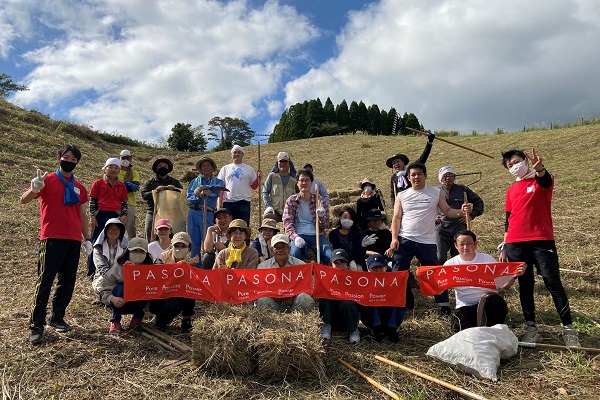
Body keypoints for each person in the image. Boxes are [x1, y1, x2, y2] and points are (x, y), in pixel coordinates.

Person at [499, 148, 580, 346]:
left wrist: (540, 169)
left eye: (516, 162)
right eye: (510, 166)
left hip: (542, 240)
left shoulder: (541, 179)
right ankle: (531, 328)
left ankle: (568, 329)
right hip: (515, 243)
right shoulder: (511, 190)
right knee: (525, 285)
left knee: (553, 283)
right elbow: (508, 220)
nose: (514, 167)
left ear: (526, 160)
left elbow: (545, 181)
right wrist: (504, 246)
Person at [21, 144, 90, 345]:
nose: (69, 161)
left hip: (73, 239)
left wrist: (87, 239)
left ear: (77, 163)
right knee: (45, 281)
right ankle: (36, 325)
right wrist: (34, 189)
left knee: (67, 280)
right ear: (59, 157)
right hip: (51, 237)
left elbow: (83, 215)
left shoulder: (80, 187)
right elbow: (23, 200)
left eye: (74, 159)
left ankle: (57, 317)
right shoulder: (47, 180)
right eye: (66, 157)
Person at [385, 162, 472, 314]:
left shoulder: (435, 192)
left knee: (435, 274)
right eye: (413, 174)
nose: (416, 177)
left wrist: (462, 212)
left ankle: (443, 305)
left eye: (419, 174)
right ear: (408, 177)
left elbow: (447, 211)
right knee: (398, 273)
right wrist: (394, 238)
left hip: (427, 241)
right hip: (405, 239)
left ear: (425, 175)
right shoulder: (402, 195)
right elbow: (396, 218)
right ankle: (398, 304)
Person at [444, 230, 525, 331]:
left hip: (489, 303)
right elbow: (440, 288)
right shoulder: (450, 264)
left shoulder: (488, 260)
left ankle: (493, 331)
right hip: (465, 306)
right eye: (462, 244)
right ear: (456, 246)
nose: (465, 247)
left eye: (469, 243)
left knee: (497, 302)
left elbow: (505, 286)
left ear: (475, 244)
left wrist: (514, 275)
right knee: (462, 331)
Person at [93, 237, 151, 334]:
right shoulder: (118, 267)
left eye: (141, 252)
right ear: (128, 252)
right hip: (119, 302)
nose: (138, 254)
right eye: (135, 251)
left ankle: (137, 317)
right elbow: (105, 287)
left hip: (139, 303)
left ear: (146, 254)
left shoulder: (150, 269)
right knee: (120, 287)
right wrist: (111, 298)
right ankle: (115, 321)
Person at [88, 157, 128, 277]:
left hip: (115, 215)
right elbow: (92, 201)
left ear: (119, 171)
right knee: (95, 242)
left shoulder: (122, 186)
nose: (113, 170)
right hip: (100, 214)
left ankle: (119, 269)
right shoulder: (98, 183)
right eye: (110, 167)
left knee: (119, 241)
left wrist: (124, 215)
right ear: (105, 169)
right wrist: (92, 216)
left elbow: (124, 203)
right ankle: (91, 270)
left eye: (116, 168)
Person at [435, 166, 484, 264]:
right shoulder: (435, 191)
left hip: (459, 228)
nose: (448, 178)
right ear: (441, 178)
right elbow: (428, 207)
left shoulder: (463, 190)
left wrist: (471, 215)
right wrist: (433, 216)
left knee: (459, 257)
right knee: (439, 257)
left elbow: (479, 203)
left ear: (454, 177)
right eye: (445, 176)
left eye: (450, 175)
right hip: (441, 229)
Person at [283, 169, 332, 265]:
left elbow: (325, 225)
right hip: (299, 234)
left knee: (329, 255)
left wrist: (321, 216)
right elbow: (287, 223)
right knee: (295, 253)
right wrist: (295, 237)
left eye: (307, 180)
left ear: (311, 182)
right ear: (297, 183)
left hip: (317, 234)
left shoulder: (320, 200)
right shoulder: (291, 201)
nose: (304, 183)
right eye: (301, 180)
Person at [152, 232, 199, 332]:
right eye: (176, 245)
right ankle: (161, 320)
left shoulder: (192, 259)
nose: (179, 248)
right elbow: (158, 273)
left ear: (188, 247)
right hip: (164, 292)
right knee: (172, 306)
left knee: (190, 289)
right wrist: (185, 265)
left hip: (181, 292)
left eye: (183, 246)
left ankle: (187, 319)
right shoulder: (163, 257)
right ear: (172, 246)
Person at [255, 234, 314, 313]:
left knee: (305, 299)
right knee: (262, 301)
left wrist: (293, 295)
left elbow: (307, 287)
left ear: (289, 249)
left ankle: (296, 319)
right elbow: (260, 290)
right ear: (271, 250)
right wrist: (274, 295)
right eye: (277, 247)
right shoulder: (263, 267)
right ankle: (275, 321)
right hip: (273, 304)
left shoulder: (301, 265)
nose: (280, 250)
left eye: (283, 247)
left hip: (295, 303)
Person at [186, 156, 224, 266]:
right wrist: (198, 196)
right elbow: (189, 197)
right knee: (194, 241)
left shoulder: (218, 181)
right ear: (200, 168)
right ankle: (195, 267)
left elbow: (216, 191)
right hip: (193, 212)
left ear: (212, 168)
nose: (206, 168)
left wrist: (204, 187)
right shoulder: (194, 181)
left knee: (208, 240)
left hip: (207, 212)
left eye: (208, 165)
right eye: (203, 166)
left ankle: (208, 266)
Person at [360, 254, 405, 343]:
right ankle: (376, 331)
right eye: (374, 268)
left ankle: (392, 330)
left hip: (390, 315)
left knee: (400, 301)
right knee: (371, 300)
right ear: (368, 270)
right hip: (372, 317)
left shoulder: (395, 279)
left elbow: (410, 304)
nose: (378, 270)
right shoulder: (362, 281)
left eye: (380, 267)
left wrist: (404, 286)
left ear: (386, 267)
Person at [319, 249, 361, 343]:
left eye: (342, 262)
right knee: (326, 296)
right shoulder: (326, 277)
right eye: (336, 263)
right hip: (331, 316)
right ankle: (326, 325)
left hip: (347, 317)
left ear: (348, 264)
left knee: (347, 303)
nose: (340, 265)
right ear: (331, 265)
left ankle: (353, 330)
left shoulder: (355, 278)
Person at [386, 131, 435, 206]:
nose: (396, 164)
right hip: (401, 204)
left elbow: (422, 159)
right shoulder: (394, 178)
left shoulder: (410, 171)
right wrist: (394, 205)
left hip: (414, 201)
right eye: (393, 163)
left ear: (403, 162)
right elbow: (392, 193)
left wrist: (429, 143)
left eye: (398, 161)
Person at [141, 157, 183, 241]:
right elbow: (144, 195)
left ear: (168, 168)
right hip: (153, 211)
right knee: (150, 233)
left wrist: (174, 189)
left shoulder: (175, 182)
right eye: (160, 166)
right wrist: (155, 191)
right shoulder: (150, 182)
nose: (163, 167)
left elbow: (182, 195)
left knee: (171, 235)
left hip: (170, 212)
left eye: (165, 166)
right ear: (156, 169)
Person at [217, 145, 260, 225]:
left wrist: (258, 178)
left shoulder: (249, 169)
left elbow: (254, 187)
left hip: (244, 203)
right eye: (235, 152)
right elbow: (221, 186)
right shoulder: (225, 168)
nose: (237, 154)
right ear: (231, 154)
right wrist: (219, 201)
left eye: (239, 152)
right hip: (228, 202)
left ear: (242, 155)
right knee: (228, 227)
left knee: (243, 227)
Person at [262, 151, 298, 222]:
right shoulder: (272, 176)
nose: (283, 163)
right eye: (281, 161)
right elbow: (265, 192)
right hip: (275, 211)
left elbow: (299, 195)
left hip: (290, 212)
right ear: (277, 163)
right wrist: (269, 206)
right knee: (267, 218)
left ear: (289, 163)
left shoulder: (295, 180)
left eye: (285, 161)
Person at [328, 206, 366, 270]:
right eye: (345, 217)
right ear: (340, 218)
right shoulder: (333, 234)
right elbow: (334, 252)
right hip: (339, 262)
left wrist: (362, 246)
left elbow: (360, 254)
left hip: (355, 262)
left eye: (350, 218)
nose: (347, 220)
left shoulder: (358, 234)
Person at [118, 149, 140, 239]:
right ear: (119, 158)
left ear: (131, 159)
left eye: (128, 158)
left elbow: (135, 187)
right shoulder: (115, 171)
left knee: (130, 230)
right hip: (116, 203)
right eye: (123, 158)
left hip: (129, 204)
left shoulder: (134, 173)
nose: (125, 160)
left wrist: (121, 187)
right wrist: (126, 186)